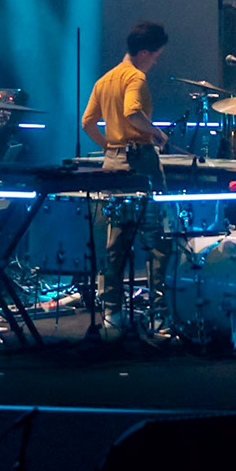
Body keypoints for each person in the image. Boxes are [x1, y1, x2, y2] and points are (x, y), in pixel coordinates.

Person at [82, 21, 170, 330]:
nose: (155, 62)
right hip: (140, 161)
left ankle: (112, 312)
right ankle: (159, 314)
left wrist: (108, 146)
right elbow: (133, 112)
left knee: (116, 239)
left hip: (113, 162)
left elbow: (87, 122)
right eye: (155, 56)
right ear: (144, 52)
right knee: (157, 239)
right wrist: (156, 133)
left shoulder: (105, 80)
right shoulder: (135, 77)